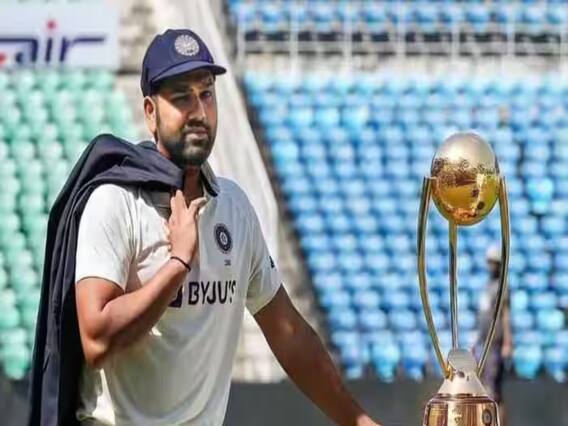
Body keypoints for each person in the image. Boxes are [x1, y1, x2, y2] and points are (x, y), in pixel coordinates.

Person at [71, 29, 381, 425]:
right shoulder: (115, 202)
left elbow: (287, 332)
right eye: (181, 97)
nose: (199, 112)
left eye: (206, 94)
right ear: (150, 112)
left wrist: (357, 420)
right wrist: (178, 264)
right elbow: (96, 340)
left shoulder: (234, 207)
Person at [475, 244, 512, 426]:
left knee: (494, 390)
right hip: (483, 343)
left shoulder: (501, 286)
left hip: (495, 343)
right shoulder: (487, 286)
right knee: (483, 387)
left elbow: (505, 314)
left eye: (494, 262)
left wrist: (507, 342)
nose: (491, 266)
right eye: (489, 262)